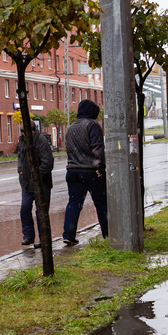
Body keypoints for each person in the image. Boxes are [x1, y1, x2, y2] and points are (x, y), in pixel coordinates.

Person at [63, 99, 108, 246]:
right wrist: (100, 167)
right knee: (101, 203)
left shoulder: (71, 127)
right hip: (90, 171)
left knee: (74, 204)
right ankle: (108, 234)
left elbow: (69, 149)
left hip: (72, 171)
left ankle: (68, 235)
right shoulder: (92, 125)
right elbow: (97, 148)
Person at [17, 121, 54, 249]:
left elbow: (48, 163)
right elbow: (20, 157)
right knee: (25, 209)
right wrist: (20, 170)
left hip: (41, 184)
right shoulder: (22, 140)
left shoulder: (41, 141)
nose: (24, 135)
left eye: (26, 132)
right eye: (22, 133)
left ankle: (44, 239)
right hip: (26, 183)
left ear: (33, 130)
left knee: (41, 212)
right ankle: (28, 236)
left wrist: (36, 176)